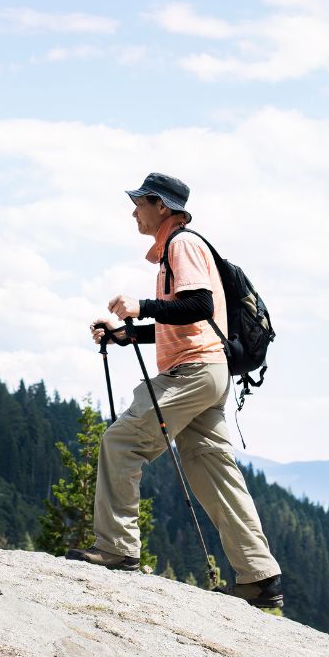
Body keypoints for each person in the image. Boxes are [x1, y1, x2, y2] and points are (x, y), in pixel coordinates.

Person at [71, 173, 284, 608]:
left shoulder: (182, 244)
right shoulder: (180, 248)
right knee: (212, 469)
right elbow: (185, 319)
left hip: (193, 372)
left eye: (139, 203)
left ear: (162, 207)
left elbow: (199, 305)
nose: (134, 211)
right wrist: (128, 335)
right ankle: (259, 578)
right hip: (210, 371)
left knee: (121, 440)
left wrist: (140, 307)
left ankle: (117, 549)